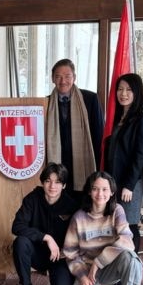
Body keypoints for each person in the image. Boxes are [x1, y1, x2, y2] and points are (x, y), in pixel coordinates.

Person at [63, 171, 143, 285]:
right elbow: (70, 253)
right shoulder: (78, 218)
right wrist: (82, 277)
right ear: (89, 191)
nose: (100, 194)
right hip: (87, 272)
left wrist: (98, 263)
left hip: (110, 266)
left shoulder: (117, 211)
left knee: (132, 259)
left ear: (112, 192)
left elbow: (128, 242)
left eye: (105, 189)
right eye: (95, 189)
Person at [11, 162, 79, 285]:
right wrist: (46, 237)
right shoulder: (32, 199)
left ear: (64, 185)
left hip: (60, 256)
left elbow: (80, 235)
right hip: (37, 253)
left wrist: (67, 252)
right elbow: (17, 226)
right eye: (48, 181)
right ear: (42, 182)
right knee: (20, 242)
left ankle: (65, 278)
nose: (52, 186)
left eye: (57, 182)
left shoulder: (71, 205)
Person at [103, 73, 143, 253]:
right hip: (113, 181)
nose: (123, 94)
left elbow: (140, 155)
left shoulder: (141, 120)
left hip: (130, 183)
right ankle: (116, 267)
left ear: (137, 93)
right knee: (114, 224)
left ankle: (131, 269)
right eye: (120, 89)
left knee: (129, 226)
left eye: (129, 90)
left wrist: (129, 185)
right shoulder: (116, 119)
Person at [46, 59, 104, 197]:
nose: (63, 81)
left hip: (83, 160)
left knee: (82, 201)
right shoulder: (46, 102)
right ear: (53, 79)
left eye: (67, 76)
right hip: (58, 160)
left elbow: (99, 133)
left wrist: (99, 163)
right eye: (58, 76)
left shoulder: (90, 99)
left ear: (74, 77)